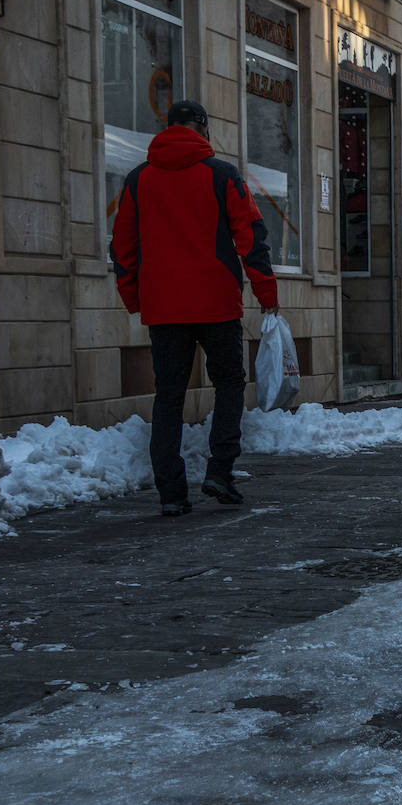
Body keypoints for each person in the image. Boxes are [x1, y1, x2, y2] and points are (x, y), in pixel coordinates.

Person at [110, 100, 279, 516]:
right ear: (202, 129)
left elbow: (122, 246)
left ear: (167, 129)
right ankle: (220, 470)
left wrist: (135, 298)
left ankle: (171, 493)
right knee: (229, 383)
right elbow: (251, 236)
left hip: (164, 307)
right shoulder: (221, 174)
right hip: (217, 301)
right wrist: (266, 293)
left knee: (168, 395)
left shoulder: (138, 179)